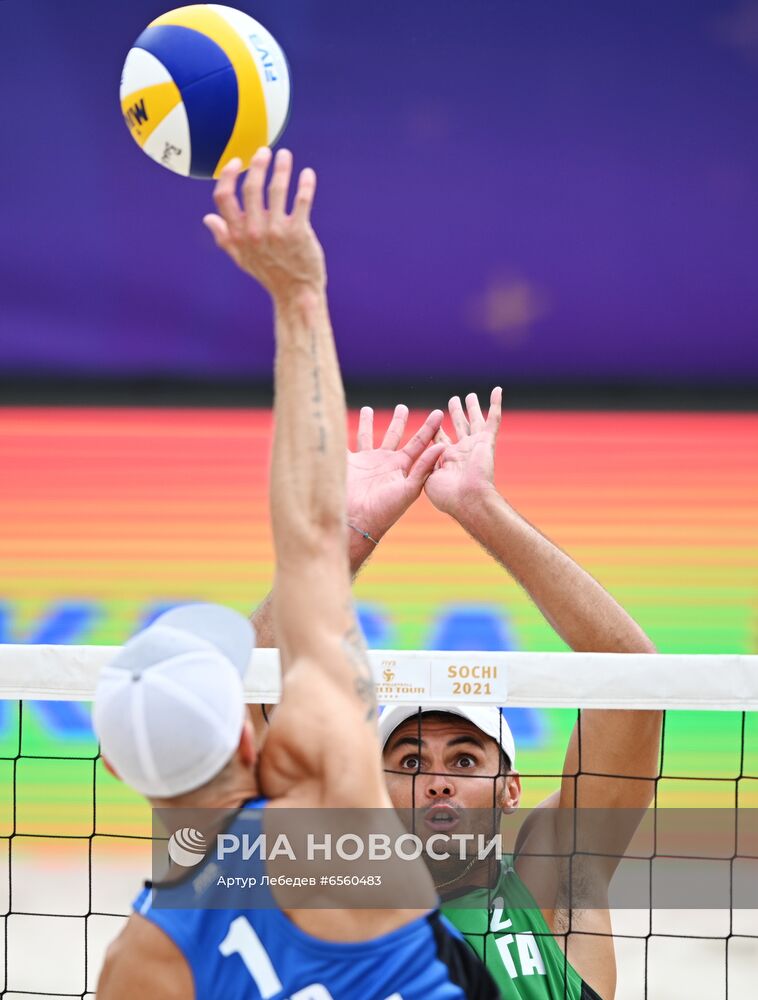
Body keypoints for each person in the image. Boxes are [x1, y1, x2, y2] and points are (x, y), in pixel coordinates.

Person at [94, 147, 500, 1000]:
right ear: (248, 736)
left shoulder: (138, 962)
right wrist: (298, 296)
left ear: (123, 776)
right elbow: (308, 542)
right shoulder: (328, 807)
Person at [250, 385, 660, 1000]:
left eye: (464, 759)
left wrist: (481, 509)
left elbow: (633, 678)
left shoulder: (557, 888)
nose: (437, 779)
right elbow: (250, 686)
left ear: (510, 788)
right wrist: (347, 536)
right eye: (411, 761)